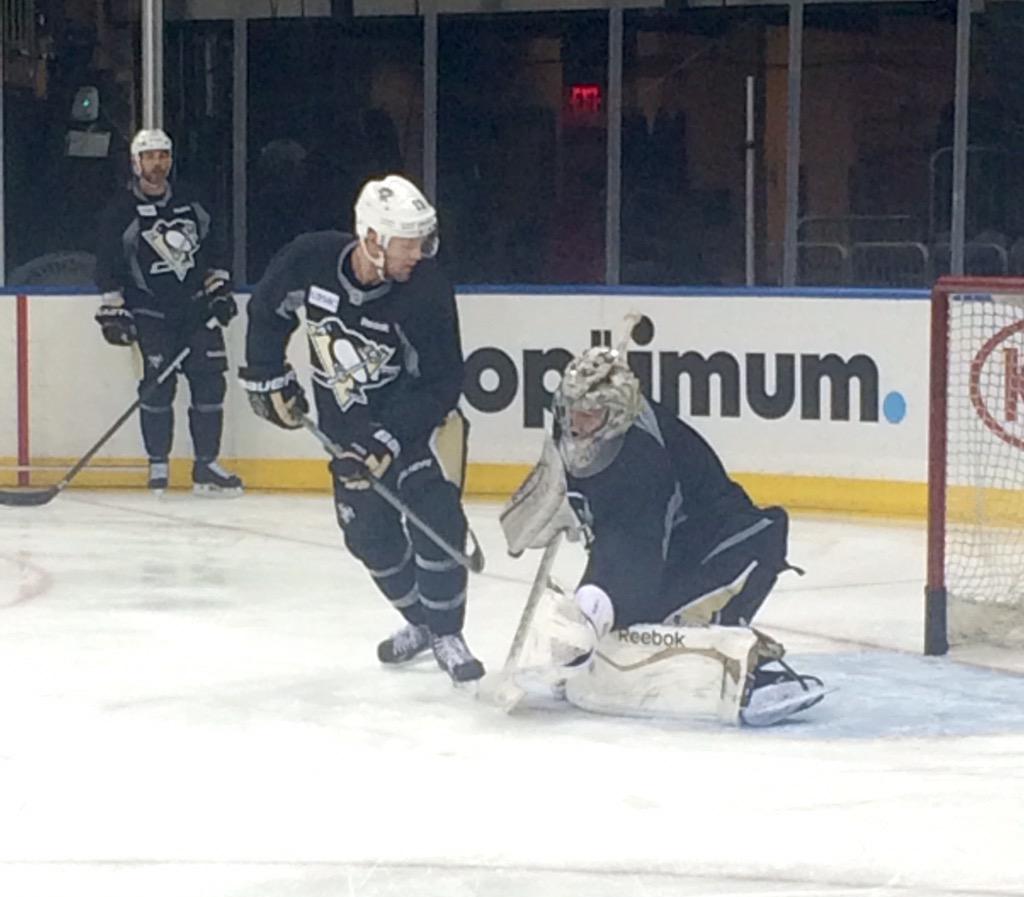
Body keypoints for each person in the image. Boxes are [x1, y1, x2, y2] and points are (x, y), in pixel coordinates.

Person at [497, 342, 825, 726]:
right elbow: (605, 530)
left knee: (642, 614)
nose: (575, 424)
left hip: (723, 543)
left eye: (588, 416)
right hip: (668, 540)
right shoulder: (579, 427)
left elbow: (636, 554)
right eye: (572, 412)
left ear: (616, 416)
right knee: (618, 615)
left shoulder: (642, 458)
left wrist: (599, 610)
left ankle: (740, 666)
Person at [239, 174, 484, 685]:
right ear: (372, 239)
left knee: (436, 520)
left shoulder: (426, 289)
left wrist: (388, 437)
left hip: (415, 428)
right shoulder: (308, 260)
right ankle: (419, 622)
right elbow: (266, 313)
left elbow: (442, 379)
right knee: (367, 536)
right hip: (344, 433)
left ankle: (447, 632)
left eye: (423, 241)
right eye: (408, 243)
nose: (419, 253)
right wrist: (267, 375)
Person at [94, 128, 243, 496]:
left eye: (163, 155)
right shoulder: (120, 210)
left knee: (210, 384)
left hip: (196, 311)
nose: (157, 163)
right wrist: (114, 310)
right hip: (150, 314)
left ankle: (206, 466)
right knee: (157, 389)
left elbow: (215, 247)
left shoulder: (192, 202)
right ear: (136, 162)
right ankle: (158, 464)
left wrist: (219, 288)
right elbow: (107, 263)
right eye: (150, 157)